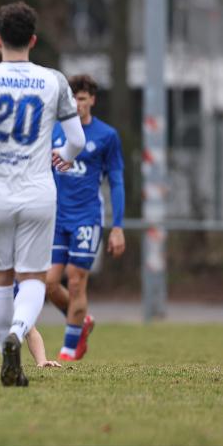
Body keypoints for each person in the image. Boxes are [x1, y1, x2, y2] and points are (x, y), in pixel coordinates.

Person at [0, 1, 85, 386]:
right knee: (34, 279)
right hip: (39, 193)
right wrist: (65, 155)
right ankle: (17, 331)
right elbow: (76, 139)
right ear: (33, 40)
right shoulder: (53, 80)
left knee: (0, 279)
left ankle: (9, 358)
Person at [48, 74, 126, 361]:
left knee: (75, 280)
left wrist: (117, 227)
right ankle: (82, 322)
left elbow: (116, 181)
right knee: (48, 283)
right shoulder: (55, 131)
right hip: (56, 218)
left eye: (81, 99)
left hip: (87, 218)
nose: (77, 104)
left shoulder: (106, 136)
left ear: (92, 100)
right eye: (72, 99)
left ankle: (68, 350)